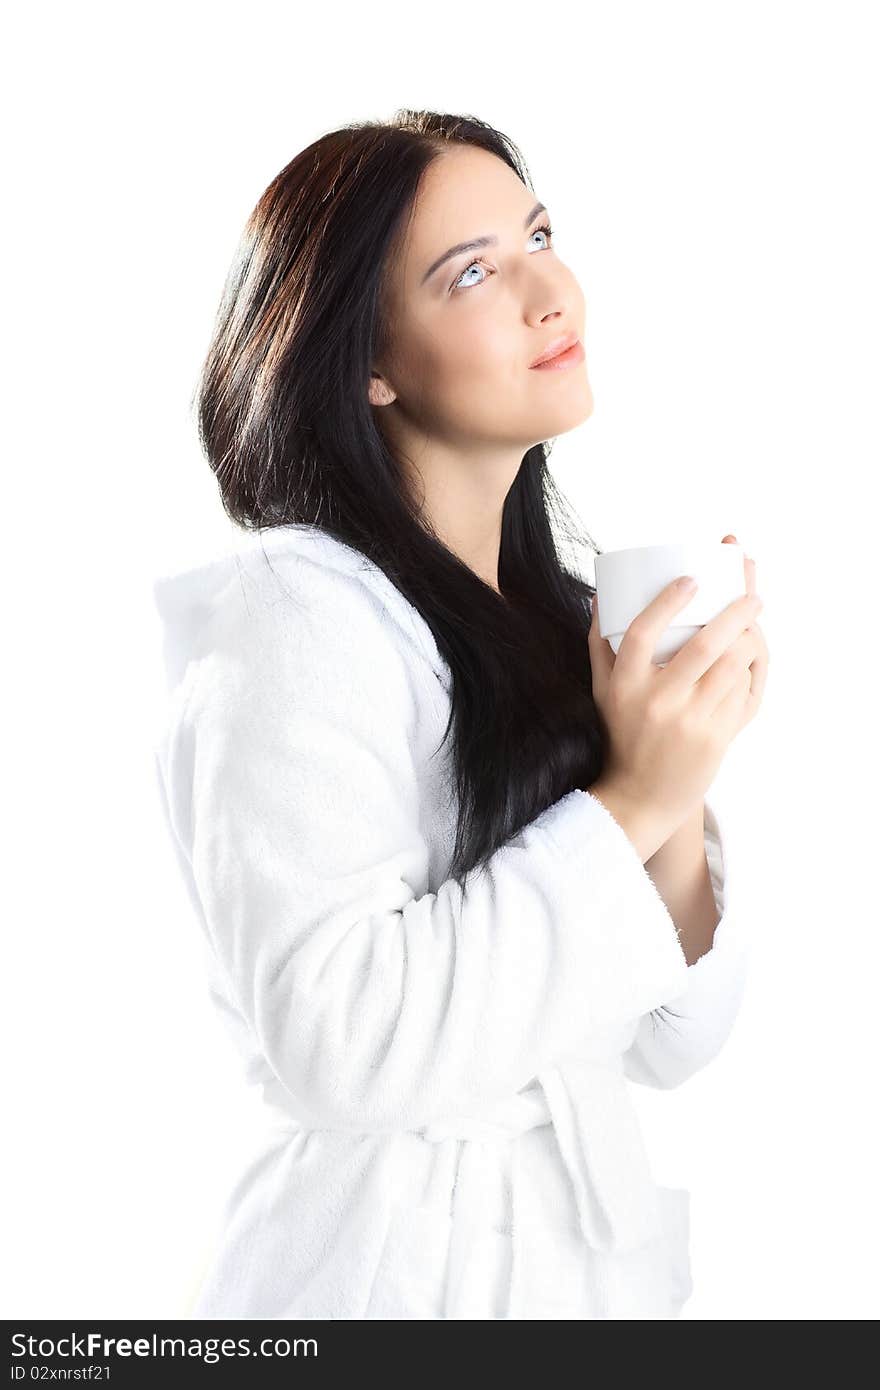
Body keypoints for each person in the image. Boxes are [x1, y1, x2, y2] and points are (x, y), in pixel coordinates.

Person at [151, 108, 768, 1320]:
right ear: (368, 362)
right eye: (473, 271)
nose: (550, 292)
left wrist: (676, 780)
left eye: (539, 235)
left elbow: (665, 1044)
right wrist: (632, 795)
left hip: (580, 1273)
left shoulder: (555, 620)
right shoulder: (294, 613)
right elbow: (340, 1040)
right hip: (382, 1284)